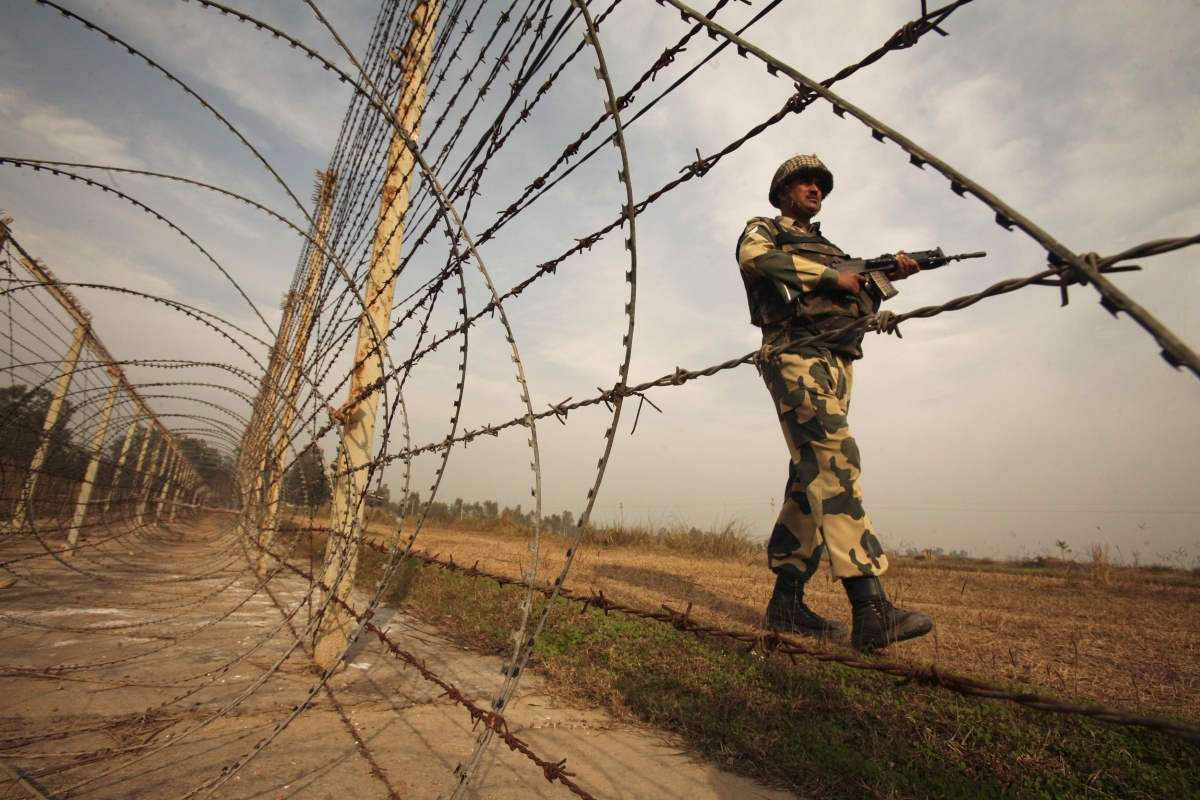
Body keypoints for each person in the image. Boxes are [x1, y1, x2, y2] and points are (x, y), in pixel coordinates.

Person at [736, 154, 934, 651]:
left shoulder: (832, 249)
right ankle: (871, 608)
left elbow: (856, 306)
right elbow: (753, 259)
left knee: (811, 478)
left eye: (820, 184)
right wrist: (833, 277)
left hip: (839, 361)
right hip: (794, 355)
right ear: (783, 193)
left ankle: (786, 603)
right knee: (836, 464)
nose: (814, 189)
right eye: (803, 182)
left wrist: (886, 281)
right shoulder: (765, 229)